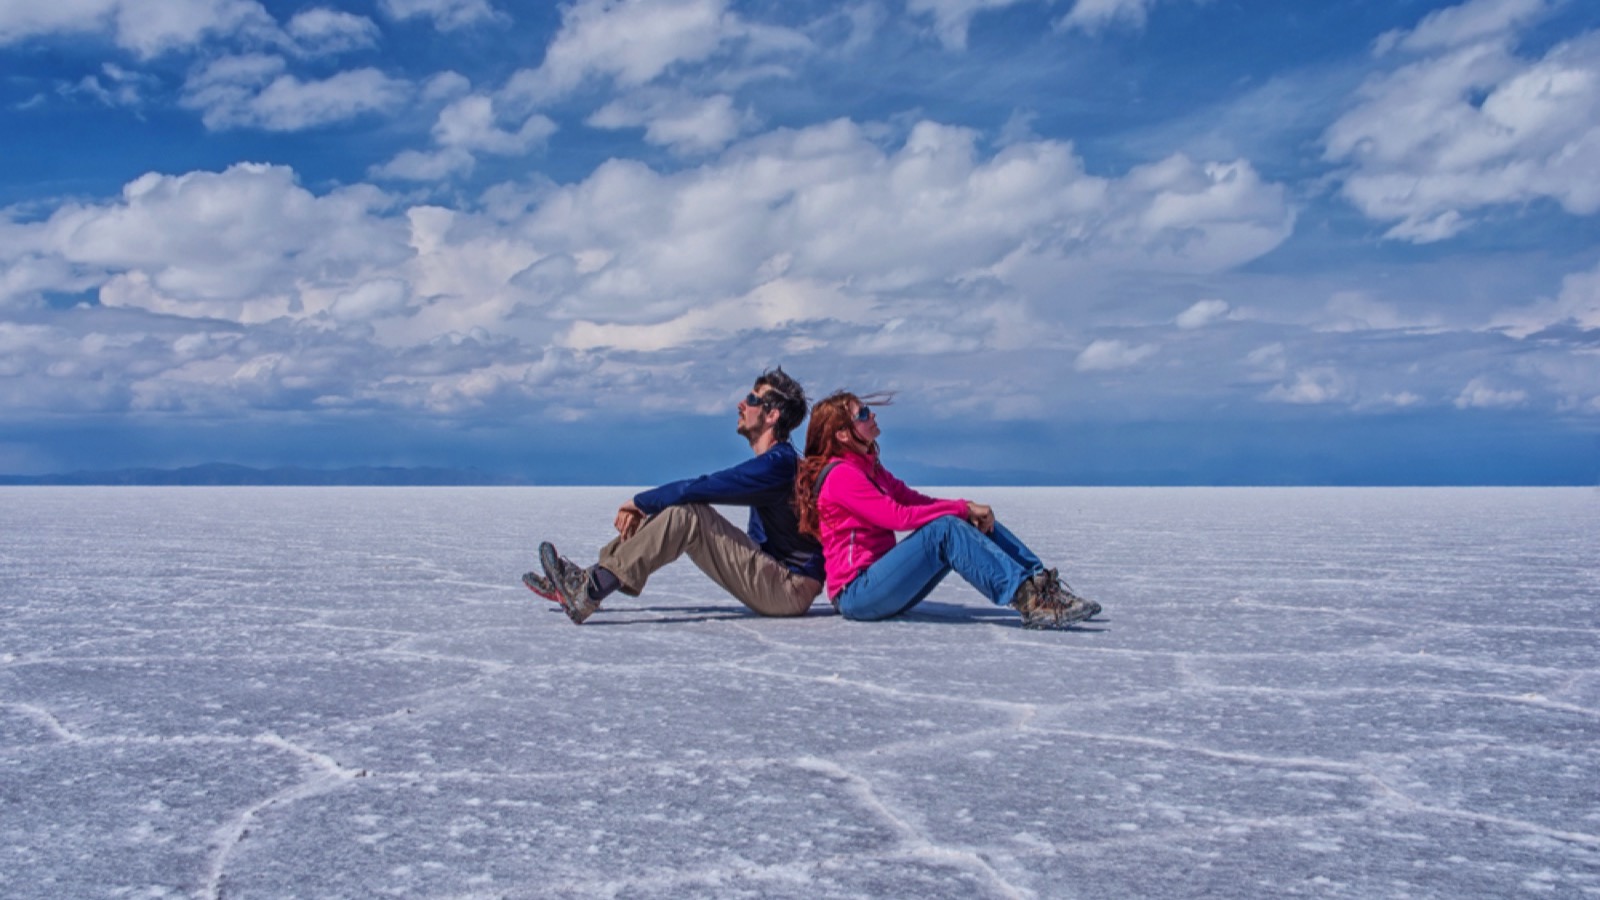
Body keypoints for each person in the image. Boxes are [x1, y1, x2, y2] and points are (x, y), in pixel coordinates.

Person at [525, 367, 823, 624]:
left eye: (752, 399)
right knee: (686, 508)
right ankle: (585, 582)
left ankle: (588, 590)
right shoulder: (775, 463)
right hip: (777, 577)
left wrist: (640, 502)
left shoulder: (778, 464)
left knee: (687, 514)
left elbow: (708, 485)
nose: (741, 404)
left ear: (772, 415)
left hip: (788, 589)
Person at [794, 391, 1100, 629]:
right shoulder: (841, 476)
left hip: (878, 584)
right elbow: (897, 517)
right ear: (844, 434)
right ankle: (1028, 600)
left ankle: (1040, 584)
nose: (871, 414)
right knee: (947, 529)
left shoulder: (868, 466)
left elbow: (910, 499)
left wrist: (966, 509)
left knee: (965, 521)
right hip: (856, 594)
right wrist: (959, 511)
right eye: (861, 414)